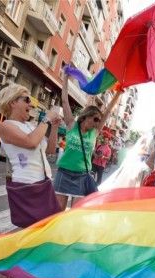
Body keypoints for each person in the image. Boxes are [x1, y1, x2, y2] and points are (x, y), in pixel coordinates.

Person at [0, 84, 62, 278]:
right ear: (13, 102)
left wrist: (53, 126)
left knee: (30, 236)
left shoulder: (29, 126)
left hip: (41, 184)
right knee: (32, 240)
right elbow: (31, 143)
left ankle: (4, 276)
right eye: (26, 99)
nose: (31, 104)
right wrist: (46, 119)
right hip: (27, 186)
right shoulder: (7, 126)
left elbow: (49, 151)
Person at [54, 67, 122, 211]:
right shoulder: (71, 125)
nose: (98, 122)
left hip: (81, 176)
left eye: (99, 120)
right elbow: (65, 101)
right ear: (86, 116)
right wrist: (65, 78)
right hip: (64, 173)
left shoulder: (95, 132)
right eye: (96, 119)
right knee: (57, 212)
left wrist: (118, 94)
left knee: (76, 212)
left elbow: (108, 111)